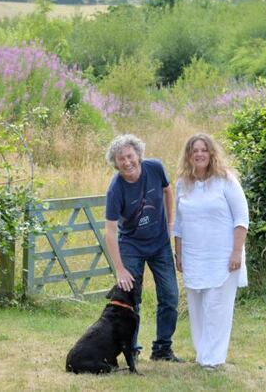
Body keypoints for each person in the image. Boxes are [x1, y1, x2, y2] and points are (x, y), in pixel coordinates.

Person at [172, 133, 249, 369]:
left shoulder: (226, 181)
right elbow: (179, 224)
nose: (199, 154)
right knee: (197, 309)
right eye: (194, 150)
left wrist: (236, 251)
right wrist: (179, 253)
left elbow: (241, 218)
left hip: (223, 256)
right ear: (188, 155)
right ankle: (202, 355)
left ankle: (214, 359)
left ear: (211, 153)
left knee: (217, 307)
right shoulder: (182, 184)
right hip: (194, 256)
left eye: (204, 150)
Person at [104, 134, 183, 363]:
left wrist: (170, 223)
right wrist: (120, 269)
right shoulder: (115, 189)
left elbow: (168, 191)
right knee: (130, 301)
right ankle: (133, 349)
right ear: (115, 163)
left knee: (169, 296)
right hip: (131, 246)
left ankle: (162, 349)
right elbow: (110, 230)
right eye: (121, 159)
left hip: (159, 244)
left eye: (130, 156)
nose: (127, 162)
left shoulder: (155, 168)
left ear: (138, 155)